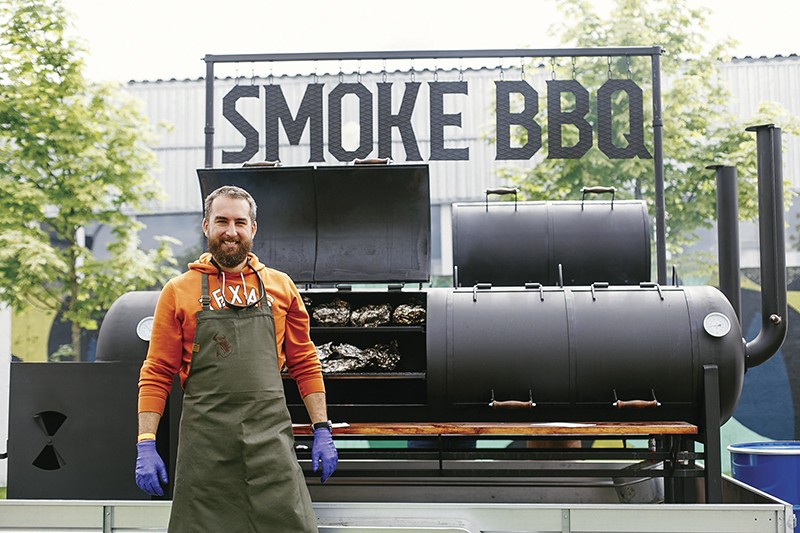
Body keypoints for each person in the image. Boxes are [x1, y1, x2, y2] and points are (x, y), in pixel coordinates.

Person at [134, 185, 337, 532]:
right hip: (206, 449)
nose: (231, 231)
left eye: (240, 222)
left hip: (270, 444)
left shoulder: (281, 287)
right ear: (206, 226)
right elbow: (157, 372)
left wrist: (322, 429)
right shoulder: (178, 290)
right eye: (222, 221)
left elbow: (304, 362)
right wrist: (146, 443)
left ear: (252, 228)